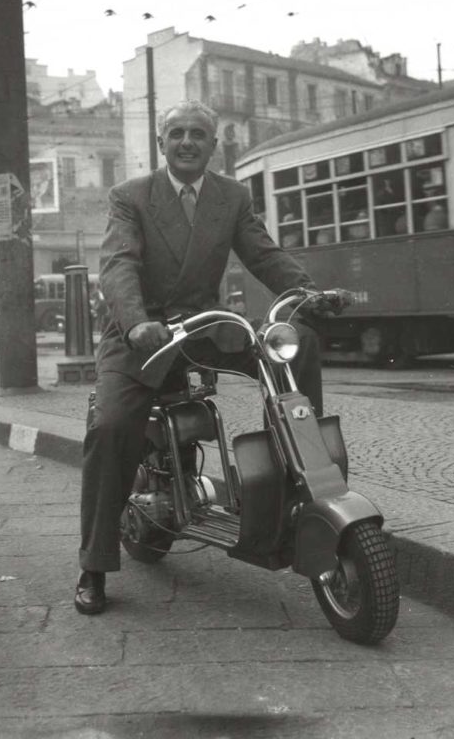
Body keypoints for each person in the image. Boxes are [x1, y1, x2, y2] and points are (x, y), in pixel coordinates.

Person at [75, 99, 324, 616]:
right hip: (140, 332)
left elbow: (262, 252)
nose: (187, 141)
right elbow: (118, 265)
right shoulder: (130, 196)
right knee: (114, 423)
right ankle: (94, 564)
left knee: (294, 345)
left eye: (198, 134)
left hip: (204, 326)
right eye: (177, 133)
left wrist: (308, 291)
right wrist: (136, 320)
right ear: (161, 143)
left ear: (214, 146)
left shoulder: (230, 196)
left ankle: (296, 479)